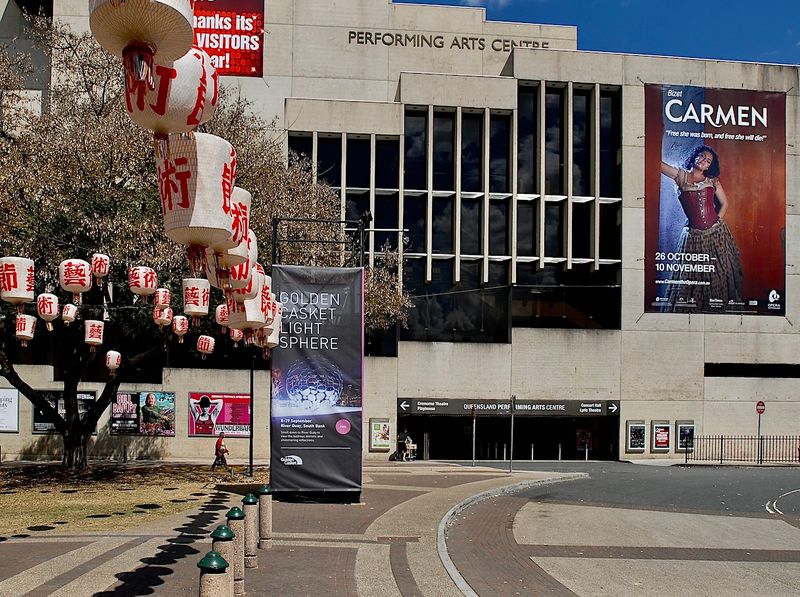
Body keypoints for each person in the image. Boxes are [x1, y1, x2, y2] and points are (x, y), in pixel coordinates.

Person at [659, 145, 743, 311]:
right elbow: (658, 164)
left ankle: (717, 312)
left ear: (710, 166)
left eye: (708, 160)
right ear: (695, 156)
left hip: (717, 234)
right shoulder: (680, 176)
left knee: (719, 273)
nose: (705, 160)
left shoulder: (712, 181)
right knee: (691, 277)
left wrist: (717, 222)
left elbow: (724, 203)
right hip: (693, 237)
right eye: (703, 156)